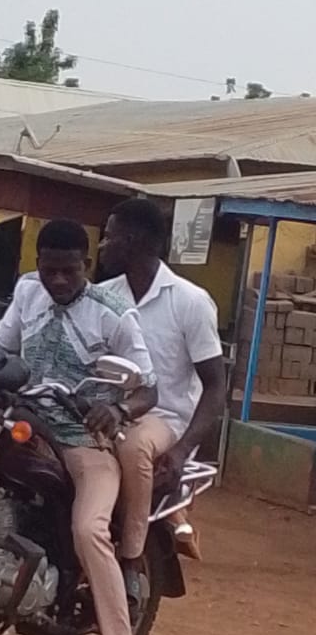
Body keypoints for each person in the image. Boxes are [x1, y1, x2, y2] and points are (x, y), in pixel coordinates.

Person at [0, 219, 158, 635]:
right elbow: (2, 347)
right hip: (25, 420)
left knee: (89, 530)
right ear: (37, 264)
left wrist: (121, 409)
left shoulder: (113, 313)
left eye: (68, 271)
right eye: (49, 271)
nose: (58, 281)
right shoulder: (27, 292)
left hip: (85, 438)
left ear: (85, 266)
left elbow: (149, 387)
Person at [99, 198, 225, 572]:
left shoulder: (190, 302)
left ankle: (131, 557)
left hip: (166, 418)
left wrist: (184, 448)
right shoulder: (105, 295)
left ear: (134, 240)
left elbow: (215, 385)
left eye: (109, 237)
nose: (102, 245)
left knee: (136, 447)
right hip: (113, 411)